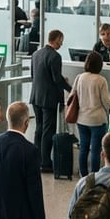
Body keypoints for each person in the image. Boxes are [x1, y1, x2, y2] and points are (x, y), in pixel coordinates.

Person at [29, 29, 72, 173]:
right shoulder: (55, 56)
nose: (62, 43)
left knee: (39, 128)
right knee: (48, 130)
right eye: (61, 40)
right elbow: (56, 79)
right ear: (57, 39)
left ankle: (36, 159)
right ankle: (46, 162)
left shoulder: (36, 54)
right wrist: (70, 88)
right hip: (49, 99)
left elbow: (33, 76)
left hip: (36, 97)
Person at [71, 52, 110, 178]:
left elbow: (72, 95)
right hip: (97, 121)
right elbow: (106, 103)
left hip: (82, 119)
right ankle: (94, 177)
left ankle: (83, 176)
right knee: (96, 150)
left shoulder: (79, 77)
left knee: (83, 148)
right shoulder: (101, 80)